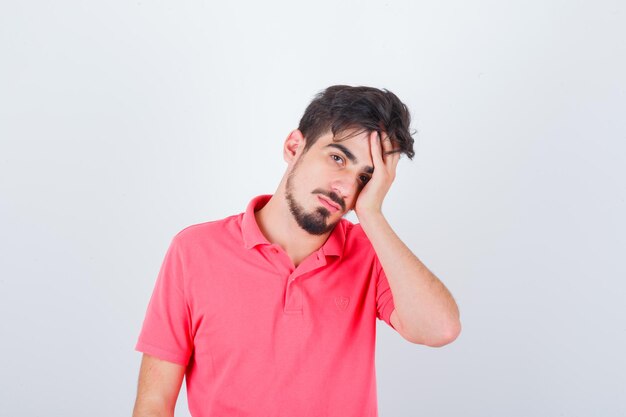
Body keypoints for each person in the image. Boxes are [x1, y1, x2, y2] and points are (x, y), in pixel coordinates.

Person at [132, 85, 461, 417]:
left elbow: (440, 329)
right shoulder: (194, 251)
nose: (346, 187)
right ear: (294, 146)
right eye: (338, 158)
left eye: (365, 177)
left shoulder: (371, 252)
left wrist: (372, 214)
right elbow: (154, 403)